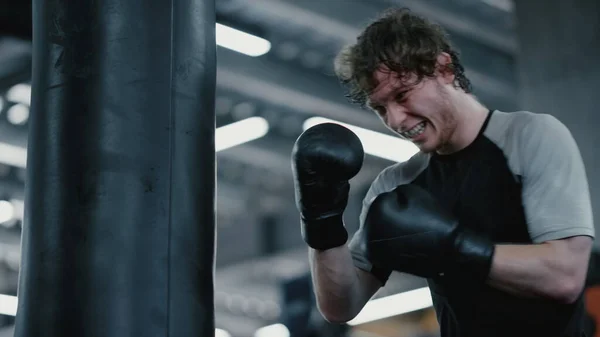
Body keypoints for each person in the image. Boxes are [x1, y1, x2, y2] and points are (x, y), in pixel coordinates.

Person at [291, 7, 596, 337]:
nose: (395, 120)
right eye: (380, 108)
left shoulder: (529, 136)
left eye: (402, 95)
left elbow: (565, 278)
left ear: (444, 69)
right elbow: (341, 306)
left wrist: (454, 248)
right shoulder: (395, 185)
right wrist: (322, 223)